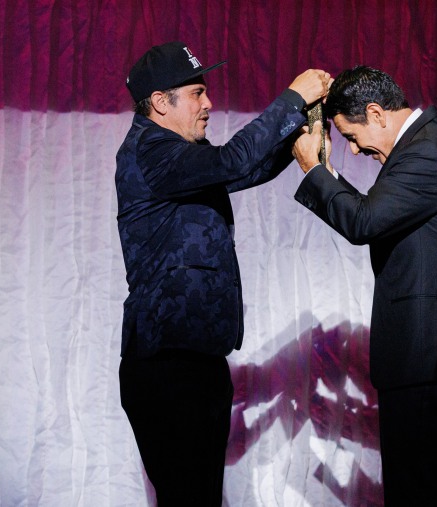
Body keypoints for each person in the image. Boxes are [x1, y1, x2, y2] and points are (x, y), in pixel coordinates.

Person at [114, 41, 330, 506]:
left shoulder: (177, 155)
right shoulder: (151, 151)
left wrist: (298, 138)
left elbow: (240, 171)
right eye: (197, 93)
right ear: (159, 102)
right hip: (166, 369)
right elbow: (233, 160)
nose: (209, 104)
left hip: (197, 363)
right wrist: (291, 99)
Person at [291, 65, 437, 506]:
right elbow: (372, 213)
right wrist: (324, 173)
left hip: (425, 353)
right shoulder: (424, 144)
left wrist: (311, 167)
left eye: (352, 137)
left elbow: (363, 222)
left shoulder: (426, 152)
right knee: (414, 488)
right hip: (424, 354)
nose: (355, 152)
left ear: (376, 113)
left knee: (412, 491)